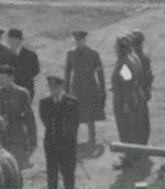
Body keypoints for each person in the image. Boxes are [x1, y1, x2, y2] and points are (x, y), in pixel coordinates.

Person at [39, 74, 80, 189]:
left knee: (68, 174)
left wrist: (66, 135)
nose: (52, 90)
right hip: (50, 143)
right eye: (50, 87)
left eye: (55, 87)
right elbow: (45, 121)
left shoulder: (72, 102)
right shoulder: (44, 102)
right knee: (52, 175)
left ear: (61, 87)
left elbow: (74, 123)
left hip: (67, 144)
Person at [0, 64, 36, 169]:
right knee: (1, 169)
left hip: (17, 137)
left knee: (17, 169)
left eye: (3, 78)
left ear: (11, 78)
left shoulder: (21, 93)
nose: (0, 81)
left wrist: (32, 141)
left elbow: (30, 118)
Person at [63, 30, 105, 149]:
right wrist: (66, 90)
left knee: (90, 114)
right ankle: (73, 139)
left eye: (81, 40)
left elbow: (100, 73)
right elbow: (67, 73)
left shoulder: (93, 54)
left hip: (90, 87)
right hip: (76, 87)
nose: (78, 42)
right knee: (75, 114)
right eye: (76, 40)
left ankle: (92, 139)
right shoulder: (70, 54)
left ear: (85, 40)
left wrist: (102, 89)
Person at [111, 33, 146, 169]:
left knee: (125, 128)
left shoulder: (124, 62)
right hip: (134, 96)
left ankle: (129, 157)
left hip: (125, 99)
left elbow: (127, 82)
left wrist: (126, 102)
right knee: (134, 126)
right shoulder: (133, 58)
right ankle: (133, 153)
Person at [4, 28, 41, 99]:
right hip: (9, 91)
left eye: (12, 39)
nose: (9, 41)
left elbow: (36, 70)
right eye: (8, 39)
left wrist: (24, 76)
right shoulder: (5, 54)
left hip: (26, 88)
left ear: (18, 40)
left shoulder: (30, 54)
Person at [130, 29, 152, 146]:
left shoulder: (132, 58)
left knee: (135, 120)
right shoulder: (144, 56)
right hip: (143, 91)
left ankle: (138, 146)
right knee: (144, 118)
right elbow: (149, 76)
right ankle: (143, 143)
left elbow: (128, 77)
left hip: (135, 92)